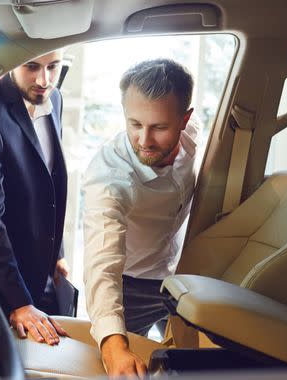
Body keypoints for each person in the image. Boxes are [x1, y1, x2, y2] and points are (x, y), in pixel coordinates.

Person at [82, 58, 199, 377]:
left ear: (185, 119)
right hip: (130, 285)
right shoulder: (109, 178)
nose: (144, 140)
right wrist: (114, 346)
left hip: (184, 277)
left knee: (192, 366)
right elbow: (101, 264)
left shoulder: (196, 139)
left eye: (159, 127)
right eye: (134, 124)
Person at [0, 50, 69, 346]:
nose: (44, 80)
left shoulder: (55, 98)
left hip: (43, 266)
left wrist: (57, 250)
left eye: (53, 67)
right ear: (11, 62)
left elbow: (50, 179)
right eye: (32, 66)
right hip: (2, 281)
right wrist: (18, 302)